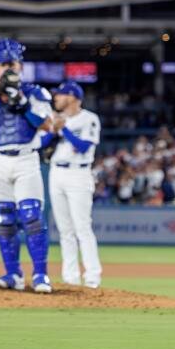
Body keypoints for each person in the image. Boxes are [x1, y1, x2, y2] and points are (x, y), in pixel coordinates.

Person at [0, 39, 54, 293]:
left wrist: (22, 102)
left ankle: (40, 274)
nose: (8, 68)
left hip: (25, 158)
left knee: (32, 217)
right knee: (4, 218)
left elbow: (46, 125)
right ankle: (13, 274)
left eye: (12, 63)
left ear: (21, 66)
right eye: (3, 64)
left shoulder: (35, 92)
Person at [43, 80, 102, 288]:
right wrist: (53, 130)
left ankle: (92, 278)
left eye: (60, 94)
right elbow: (41, 144)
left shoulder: (89, 119)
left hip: (78, 173)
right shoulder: (56, 118)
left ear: (72, 97)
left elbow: (84, 146)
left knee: (82, 228)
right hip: (56, 172)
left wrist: (63, 129)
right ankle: (70, 278)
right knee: (64, 230)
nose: (56, 98)